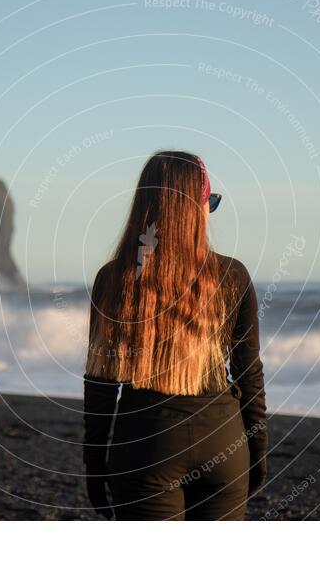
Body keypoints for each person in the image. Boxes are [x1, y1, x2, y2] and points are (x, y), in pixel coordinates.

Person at [81, 150, 267, 521]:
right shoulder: (233, 275)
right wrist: (258, 449)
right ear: (197, 207)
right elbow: (249, 372)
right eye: (209, 202)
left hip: (146, 446)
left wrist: (95, 462)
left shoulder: (114, 279)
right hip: (224, 444)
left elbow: (101, 383)